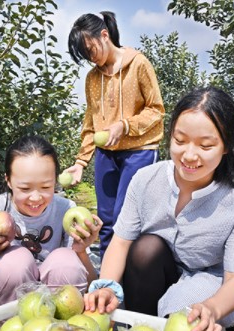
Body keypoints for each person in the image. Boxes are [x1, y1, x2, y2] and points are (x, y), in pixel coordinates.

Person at [84, 86, 234, 331]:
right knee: (145, 248)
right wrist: (108, 286)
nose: (189, 155)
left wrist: (212, 308)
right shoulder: (145, 180)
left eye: (205, 146)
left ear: (225, 146)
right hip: (154, 274)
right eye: (180, 140)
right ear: (170, 137)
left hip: (204, 281)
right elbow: (120, 242)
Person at [64, 11, 165, 259]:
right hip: (106, 153)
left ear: (104, 35)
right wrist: (80, 163)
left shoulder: (138, 64)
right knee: (106, 218)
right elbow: (91, 121)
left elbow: (156, 110)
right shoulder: (92, 78)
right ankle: (109, 280)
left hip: (140, 150)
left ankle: (135, 273)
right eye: (85, 55)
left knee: (126, 216)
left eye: (91, 49)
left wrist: (124, 126)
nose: (91, 58)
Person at [0, 135, 102, 307]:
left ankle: (61, 326)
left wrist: (81, 251)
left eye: (46, 187)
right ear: (8, 181)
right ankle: (7, 325)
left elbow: (90, 285)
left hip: (56, 309)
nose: (36, 197)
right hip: (9, 311)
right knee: (14, 260)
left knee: (66, 260)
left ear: (55, 181)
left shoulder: (66, 208)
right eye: (25, 188)